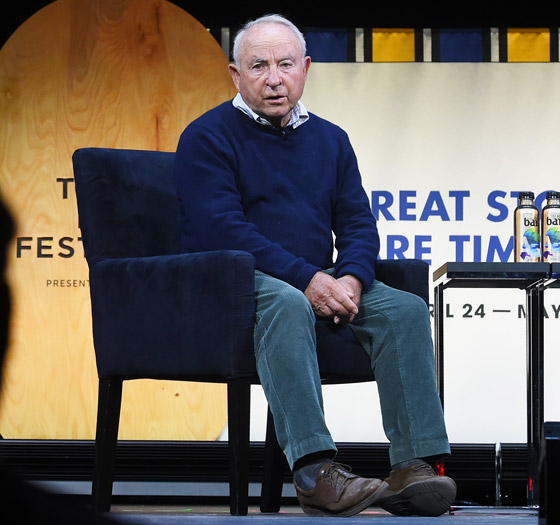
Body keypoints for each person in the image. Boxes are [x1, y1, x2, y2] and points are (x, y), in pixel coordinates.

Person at [173, 14, 456, 517]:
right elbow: (223, 229)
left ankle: (414, 467)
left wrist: (352, 277)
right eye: (258, 66)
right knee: (287, 302)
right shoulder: (207, 136)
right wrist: (308, 279)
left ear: (305, 68)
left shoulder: (331, 139)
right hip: (233, 282)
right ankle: (314, 472)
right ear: (235, 75)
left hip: (315, 278)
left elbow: (358, 223)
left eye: (285, 64)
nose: (273, 79)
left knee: (405, 310)